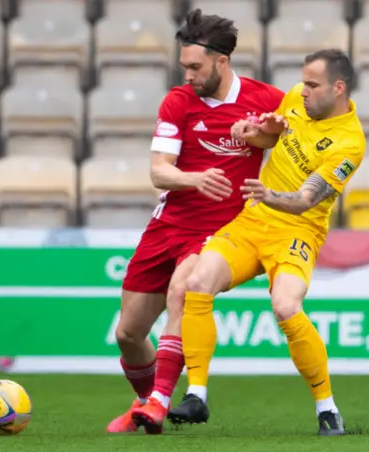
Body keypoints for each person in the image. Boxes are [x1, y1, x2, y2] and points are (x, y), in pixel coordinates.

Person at [166, 48, 366, 437]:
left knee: (286, 305)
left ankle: (327, 409)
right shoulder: (296, 99)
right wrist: (253, 132)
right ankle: (196, 395)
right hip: (253, 221)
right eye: (303, 82)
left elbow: (307, 199)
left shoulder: (349, 143)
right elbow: (275, 134)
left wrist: (269, 194)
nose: (302, 91)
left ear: (338, 88)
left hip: (297, 231)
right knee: (196, 283)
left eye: (312, 85)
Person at [106, 9, 285, 434]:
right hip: (168, 224)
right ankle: (145, 400)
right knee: (129, 335)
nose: (187, 74)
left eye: (195, 67)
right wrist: (194, 179)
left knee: (182, 291)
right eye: (184, 65)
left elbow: (301, 133)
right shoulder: (178, 102)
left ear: (221, 62)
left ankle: (159, 403)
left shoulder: (265, 100)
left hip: (219, 230)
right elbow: (158, 172)